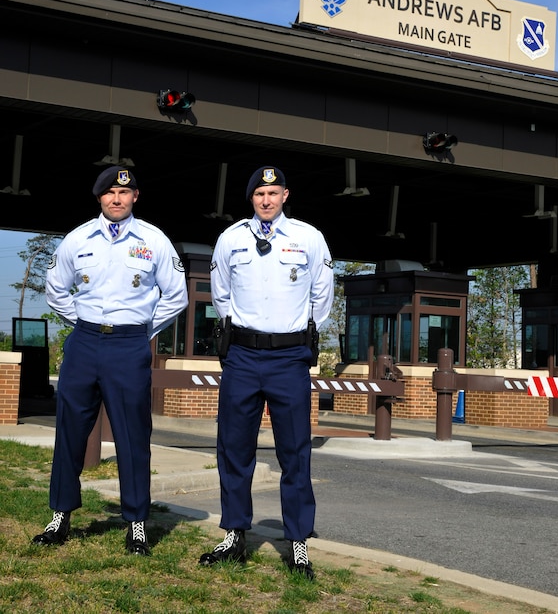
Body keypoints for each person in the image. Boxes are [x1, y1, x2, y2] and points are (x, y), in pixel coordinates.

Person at [32, 166, 188, 555]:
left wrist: (142, 331)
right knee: (69, 431)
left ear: (135, 196)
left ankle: (136, 523)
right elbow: (55, 289)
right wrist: (83, 322)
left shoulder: (154, 240)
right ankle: (60, 515)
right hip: (84, 342)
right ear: (99, 198)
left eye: (124, 193)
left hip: (130, 344)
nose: (116, 199)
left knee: (133, 437)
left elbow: (177, 295)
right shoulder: (78, 238)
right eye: (108, 194)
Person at [199, 166, 334, 579]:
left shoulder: (308, 238)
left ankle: (296, 542)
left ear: (285, 195)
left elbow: (322, 296)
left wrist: (293, 334)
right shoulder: (231, 238)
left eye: (273, 192)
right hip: (241, 355)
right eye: (260, 193)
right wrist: (242, 330)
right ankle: (235, 534)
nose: (266, 200)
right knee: (234, 448)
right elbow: (220, 294)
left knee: (295, 452)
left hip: (289, 357)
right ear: (251, 198)